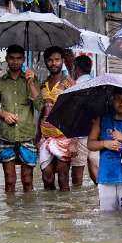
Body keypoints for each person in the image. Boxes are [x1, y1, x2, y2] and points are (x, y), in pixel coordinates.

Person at [0, 45, 41, 193]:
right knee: (9, 180)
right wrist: (3, 114)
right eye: (12, 58)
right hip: (7, 136)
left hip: (27, 135)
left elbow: (40, 106)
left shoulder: (32, 80)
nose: (15, 62)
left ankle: (27, 215)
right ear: (6, 59)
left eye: (18, 58)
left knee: (27, 179)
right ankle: (11, 215)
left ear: (23, 60)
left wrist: (31, 83)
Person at [37, 46, 76, 191]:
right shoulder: (44, 84)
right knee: (47, 177)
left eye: (57, 60)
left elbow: (75, 113)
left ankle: (64, 212)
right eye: (50, 60)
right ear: (46, 62)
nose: (54, 63)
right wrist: (37, 137)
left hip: (64, 137)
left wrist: (73, 141)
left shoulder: (69, 84)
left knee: (63, 177)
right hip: (45, 136)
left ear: (62, 61)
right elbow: (41, 112)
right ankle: (50, 212)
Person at [70, 54, 99, 186]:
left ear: (76, 68)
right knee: (96, 172)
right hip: (97, 134)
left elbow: (74, 114)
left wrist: (72, 140)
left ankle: (77, 205)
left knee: (77, 175)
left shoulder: (74, 87)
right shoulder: (98, 84)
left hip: (80, 134)